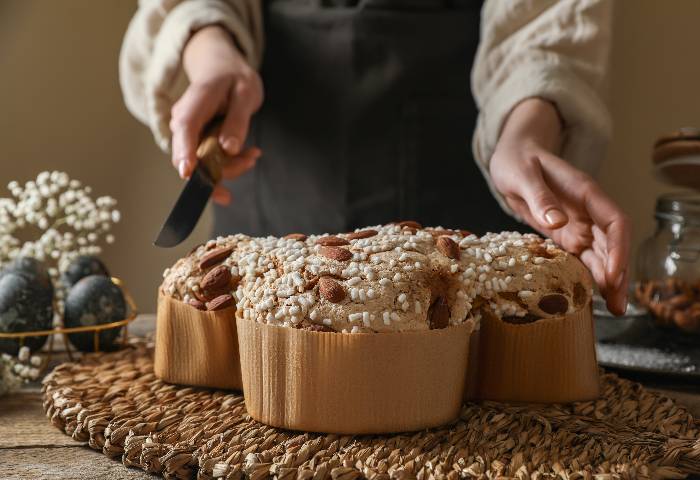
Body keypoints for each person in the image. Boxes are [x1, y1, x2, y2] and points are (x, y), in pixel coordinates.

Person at [120, 0, 629, 315]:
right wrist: (212, 52)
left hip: (459, 180)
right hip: (275, 169)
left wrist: (526, 131)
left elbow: (545, 17)